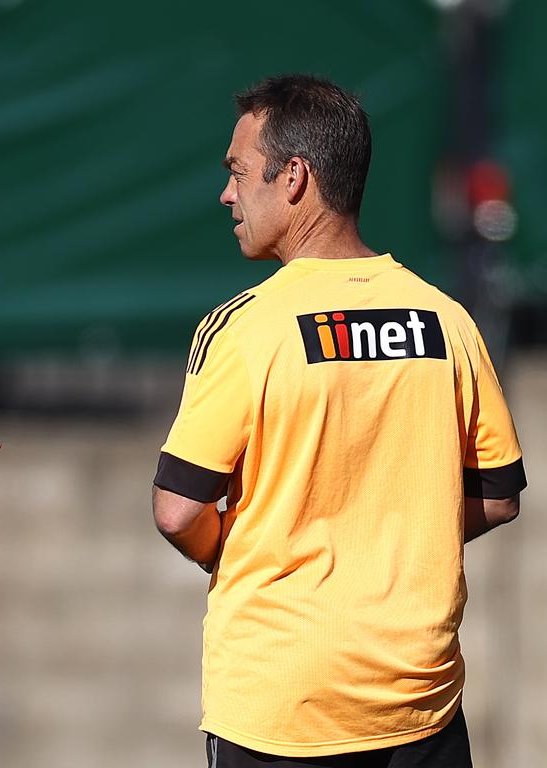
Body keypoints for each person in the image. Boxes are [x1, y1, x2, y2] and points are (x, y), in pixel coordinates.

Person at [151, 74, 525, 767]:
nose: (226, 194)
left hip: (282, 712)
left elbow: (178, 511)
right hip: (422, 708)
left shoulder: (243, 329)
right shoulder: (446, 320)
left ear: (293, 177)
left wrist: (250, 547)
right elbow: (498, 496)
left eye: (237, 172)